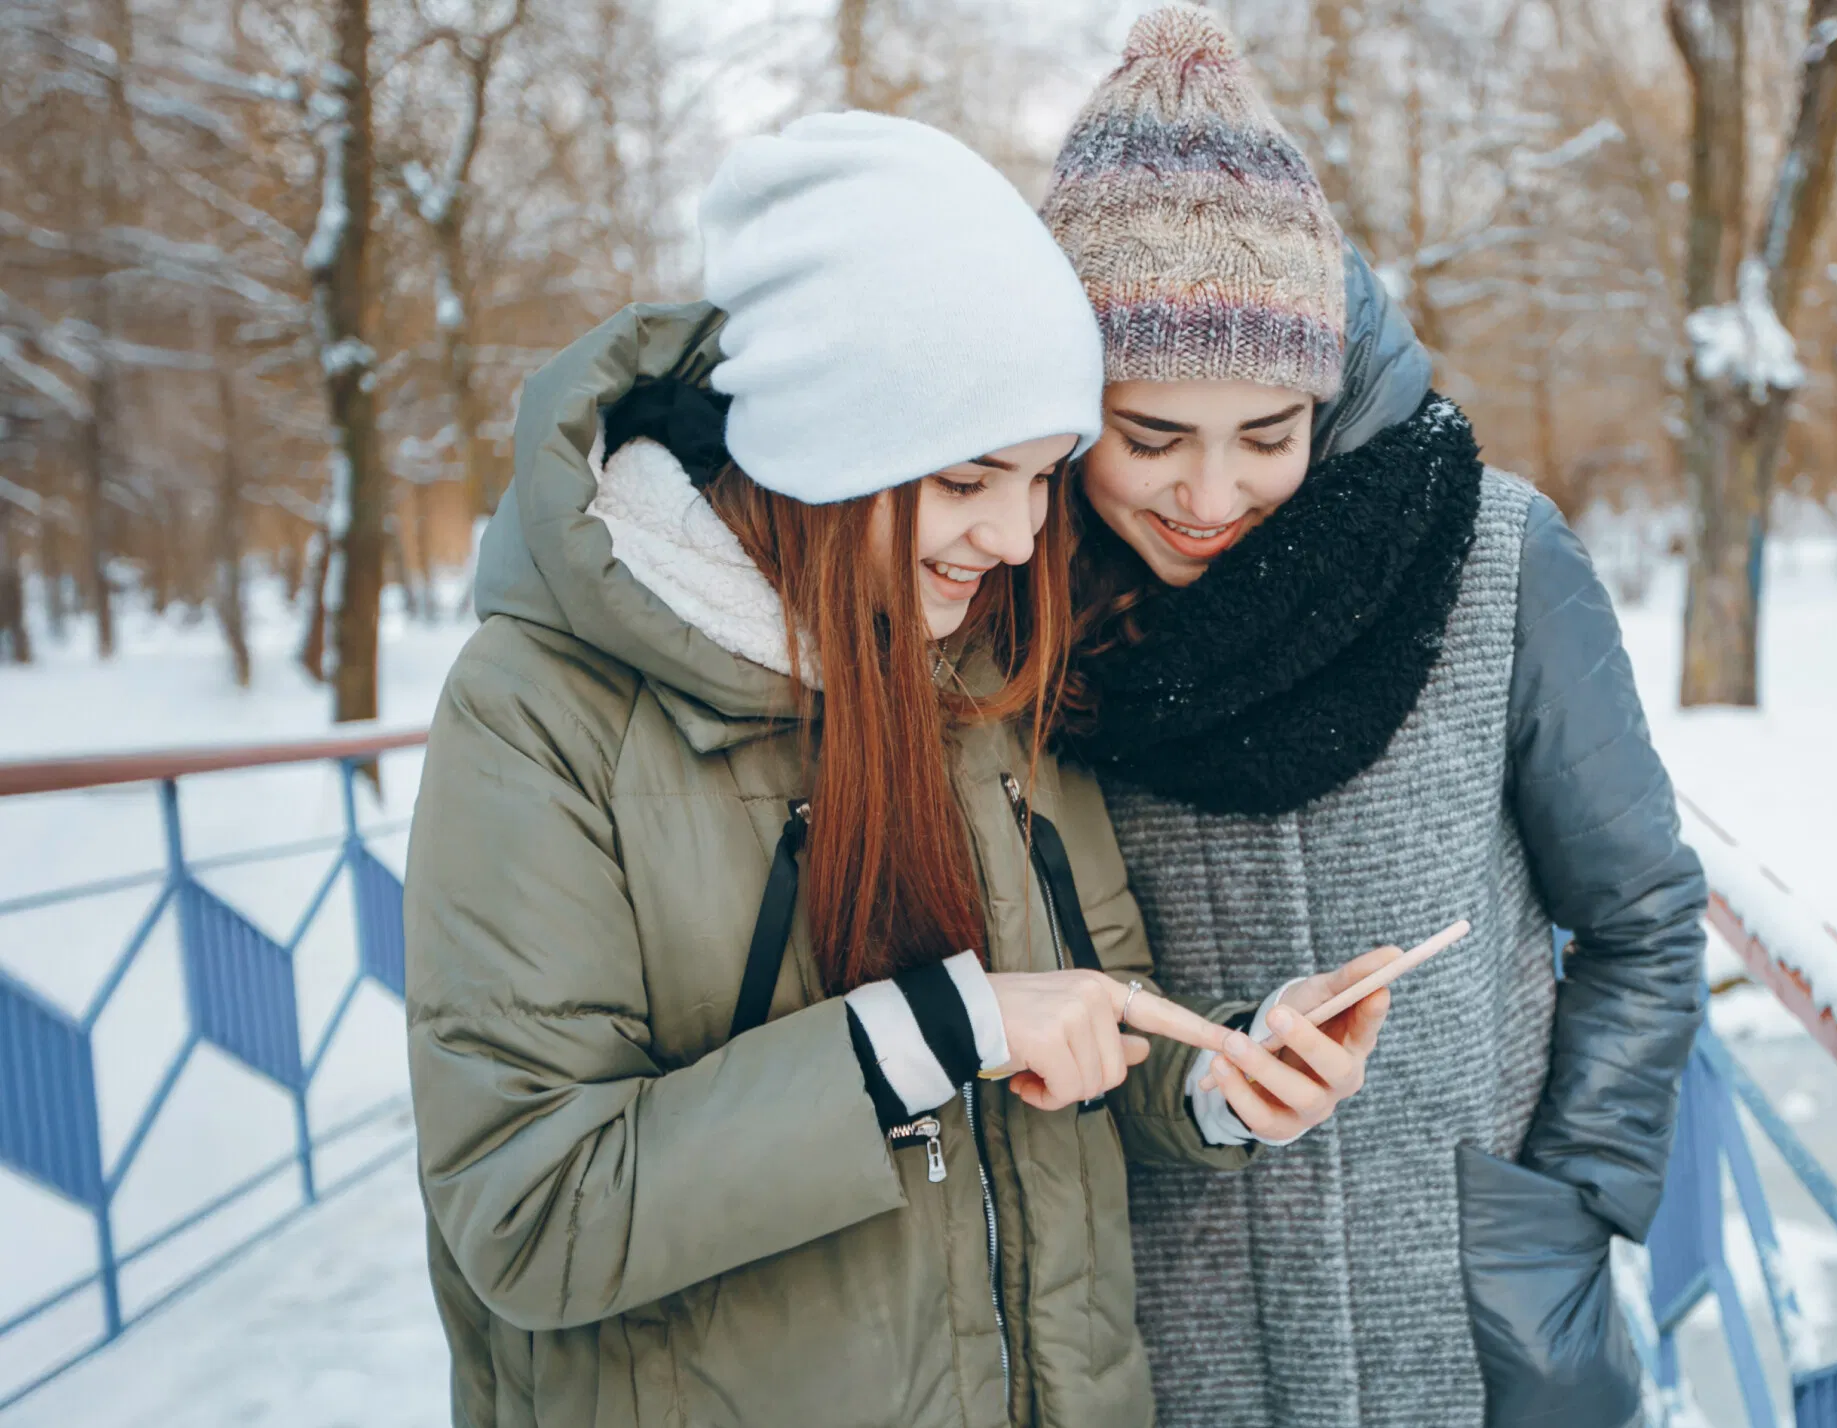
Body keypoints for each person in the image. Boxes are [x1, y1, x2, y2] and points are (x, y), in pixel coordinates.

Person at [402, 112, 1389, 1428]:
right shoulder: (542, 715)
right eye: (971, 478)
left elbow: (1084, 1015)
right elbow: (528, 1216)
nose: (1018, 533)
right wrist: (933, 1034)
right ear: (826, 454)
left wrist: (1216, 1076)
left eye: (1041, 477)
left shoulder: (976, 667)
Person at [1039, 9, 1711, 1427]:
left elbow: (1641, 919)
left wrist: (1567, 1220)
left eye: (1266, 436)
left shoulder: (1493, 557)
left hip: (1480, 1334)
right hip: (1160, 1344)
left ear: (1327, 392)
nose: (1210, 497)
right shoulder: (1012, 622)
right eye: (1151, 437)